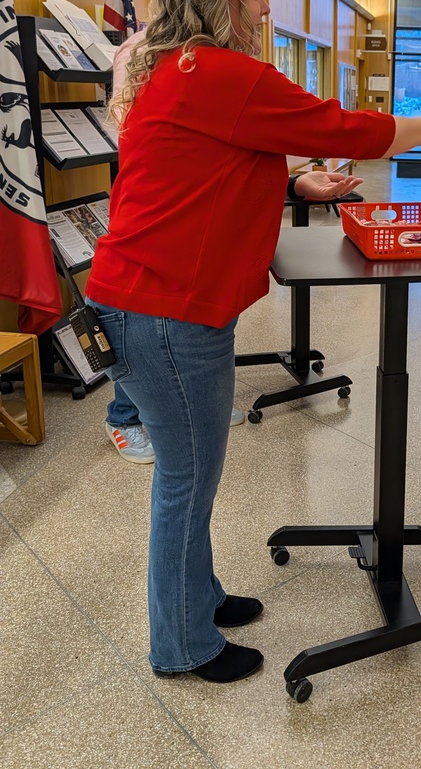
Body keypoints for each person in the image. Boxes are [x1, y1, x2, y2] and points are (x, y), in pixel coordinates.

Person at [84, 0, 421, 684]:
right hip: (167, 312)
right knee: (186, 479)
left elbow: (198, 169)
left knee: (190, 472)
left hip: (146, 301)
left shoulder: (170, 67)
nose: (267, 4)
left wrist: (294, 185)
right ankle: (182, 645)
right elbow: (346, 129)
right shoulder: (224, 73)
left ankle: (197, 598)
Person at [101, 32, 357, 464]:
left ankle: (201, 406)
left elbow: (227, 159)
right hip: (164, 249)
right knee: (153, 338)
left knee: (204, 336)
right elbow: (180, 159)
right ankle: (125, 418)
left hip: (213, 250)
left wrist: (292, 184)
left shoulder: (212, 59)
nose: (262, 10)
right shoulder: (161, 59)